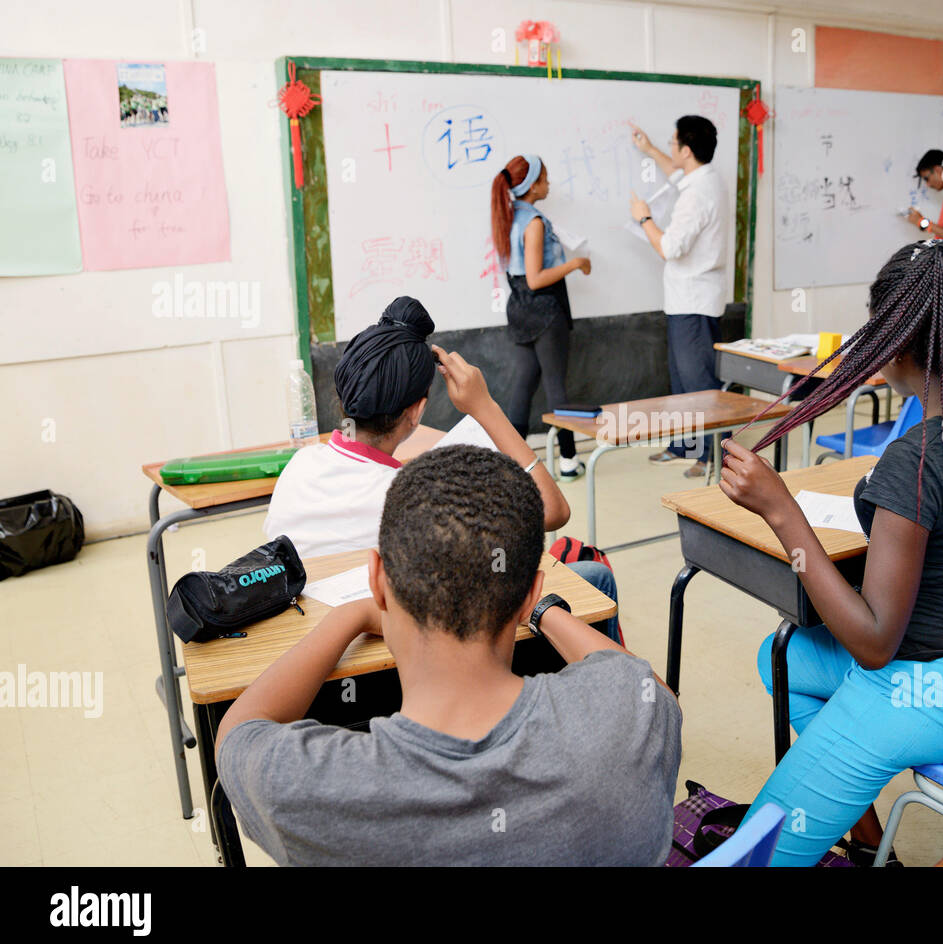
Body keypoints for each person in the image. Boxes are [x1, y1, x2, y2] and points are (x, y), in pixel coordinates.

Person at [712, 31, 943, 866]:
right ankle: (864, 832)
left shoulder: (916, 462)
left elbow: (873, 641)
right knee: (777, 656)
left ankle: (838, 792)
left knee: (756, 855)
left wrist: (781, 510)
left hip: (925, 690)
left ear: (896, 346)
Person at [217, 445, 682, 866]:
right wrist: (540, 611)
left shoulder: (310, 787)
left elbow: (238, 732)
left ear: (377, 579)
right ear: (529, 591)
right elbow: (649, 686)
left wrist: (349, 617)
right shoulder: (633, 714)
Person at [264, 295, 621, 646]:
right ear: (417, 412)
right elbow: (555, 510)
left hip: (323, 650)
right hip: (422, 663)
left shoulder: (299, 465)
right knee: (595, 576)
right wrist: (486, 408)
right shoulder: (422, 497)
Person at [629, 115, 729, 479]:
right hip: (686, 299)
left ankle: (715, 455)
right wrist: (650, 148)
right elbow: (674, 171)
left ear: (687, 150)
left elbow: (669, 248)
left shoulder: (697, 194)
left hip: (694, 301)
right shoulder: (702, 178)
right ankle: (683, 445)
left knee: (699, 382)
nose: (671, 150)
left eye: (673, 144)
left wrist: (644, 219)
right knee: (682, 381)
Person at [491, 154, 592, 482]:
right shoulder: (533, 222)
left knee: (524, 383)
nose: (549, 184)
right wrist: (575, 264)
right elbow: (535, 279)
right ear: (532, 186)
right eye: (545, 179)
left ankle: (512, 463)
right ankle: (568, 460)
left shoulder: (508, 217)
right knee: (555, 387)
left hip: (520, 309)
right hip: (544, 311)